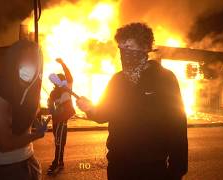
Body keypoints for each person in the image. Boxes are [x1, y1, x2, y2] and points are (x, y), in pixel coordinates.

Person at [76, 23, 188, 180]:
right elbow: (104, 113)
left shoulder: (165, 78)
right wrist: (89, 108)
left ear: (144, 47)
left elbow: (177, 124)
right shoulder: (117, 80)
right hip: (118, 166)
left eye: (128, 47)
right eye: (121, 48)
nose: (124, 53)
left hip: (152, 168)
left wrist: (177, 169)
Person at [0, 39, 47, 180]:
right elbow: (5, 144)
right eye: (25, 57)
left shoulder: (31, 88)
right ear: (13, 60)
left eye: (35, 59)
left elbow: (28, 114)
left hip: (29, 161)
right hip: (6, 167)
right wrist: (36, 135)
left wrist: (37, 123)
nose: (31, 63)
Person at [47, 58, 75, 175]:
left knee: (59, 141)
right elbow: (50, 106)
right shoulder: (53, 93)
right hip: (56, 119)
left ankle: (56, 163)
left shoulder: (67, 87)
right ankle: (60, 161)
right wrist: (51, 105)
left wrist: (63, 63)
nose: (55, 83)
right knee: (59, 141)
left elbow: (69, 76)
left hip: (63, 120)